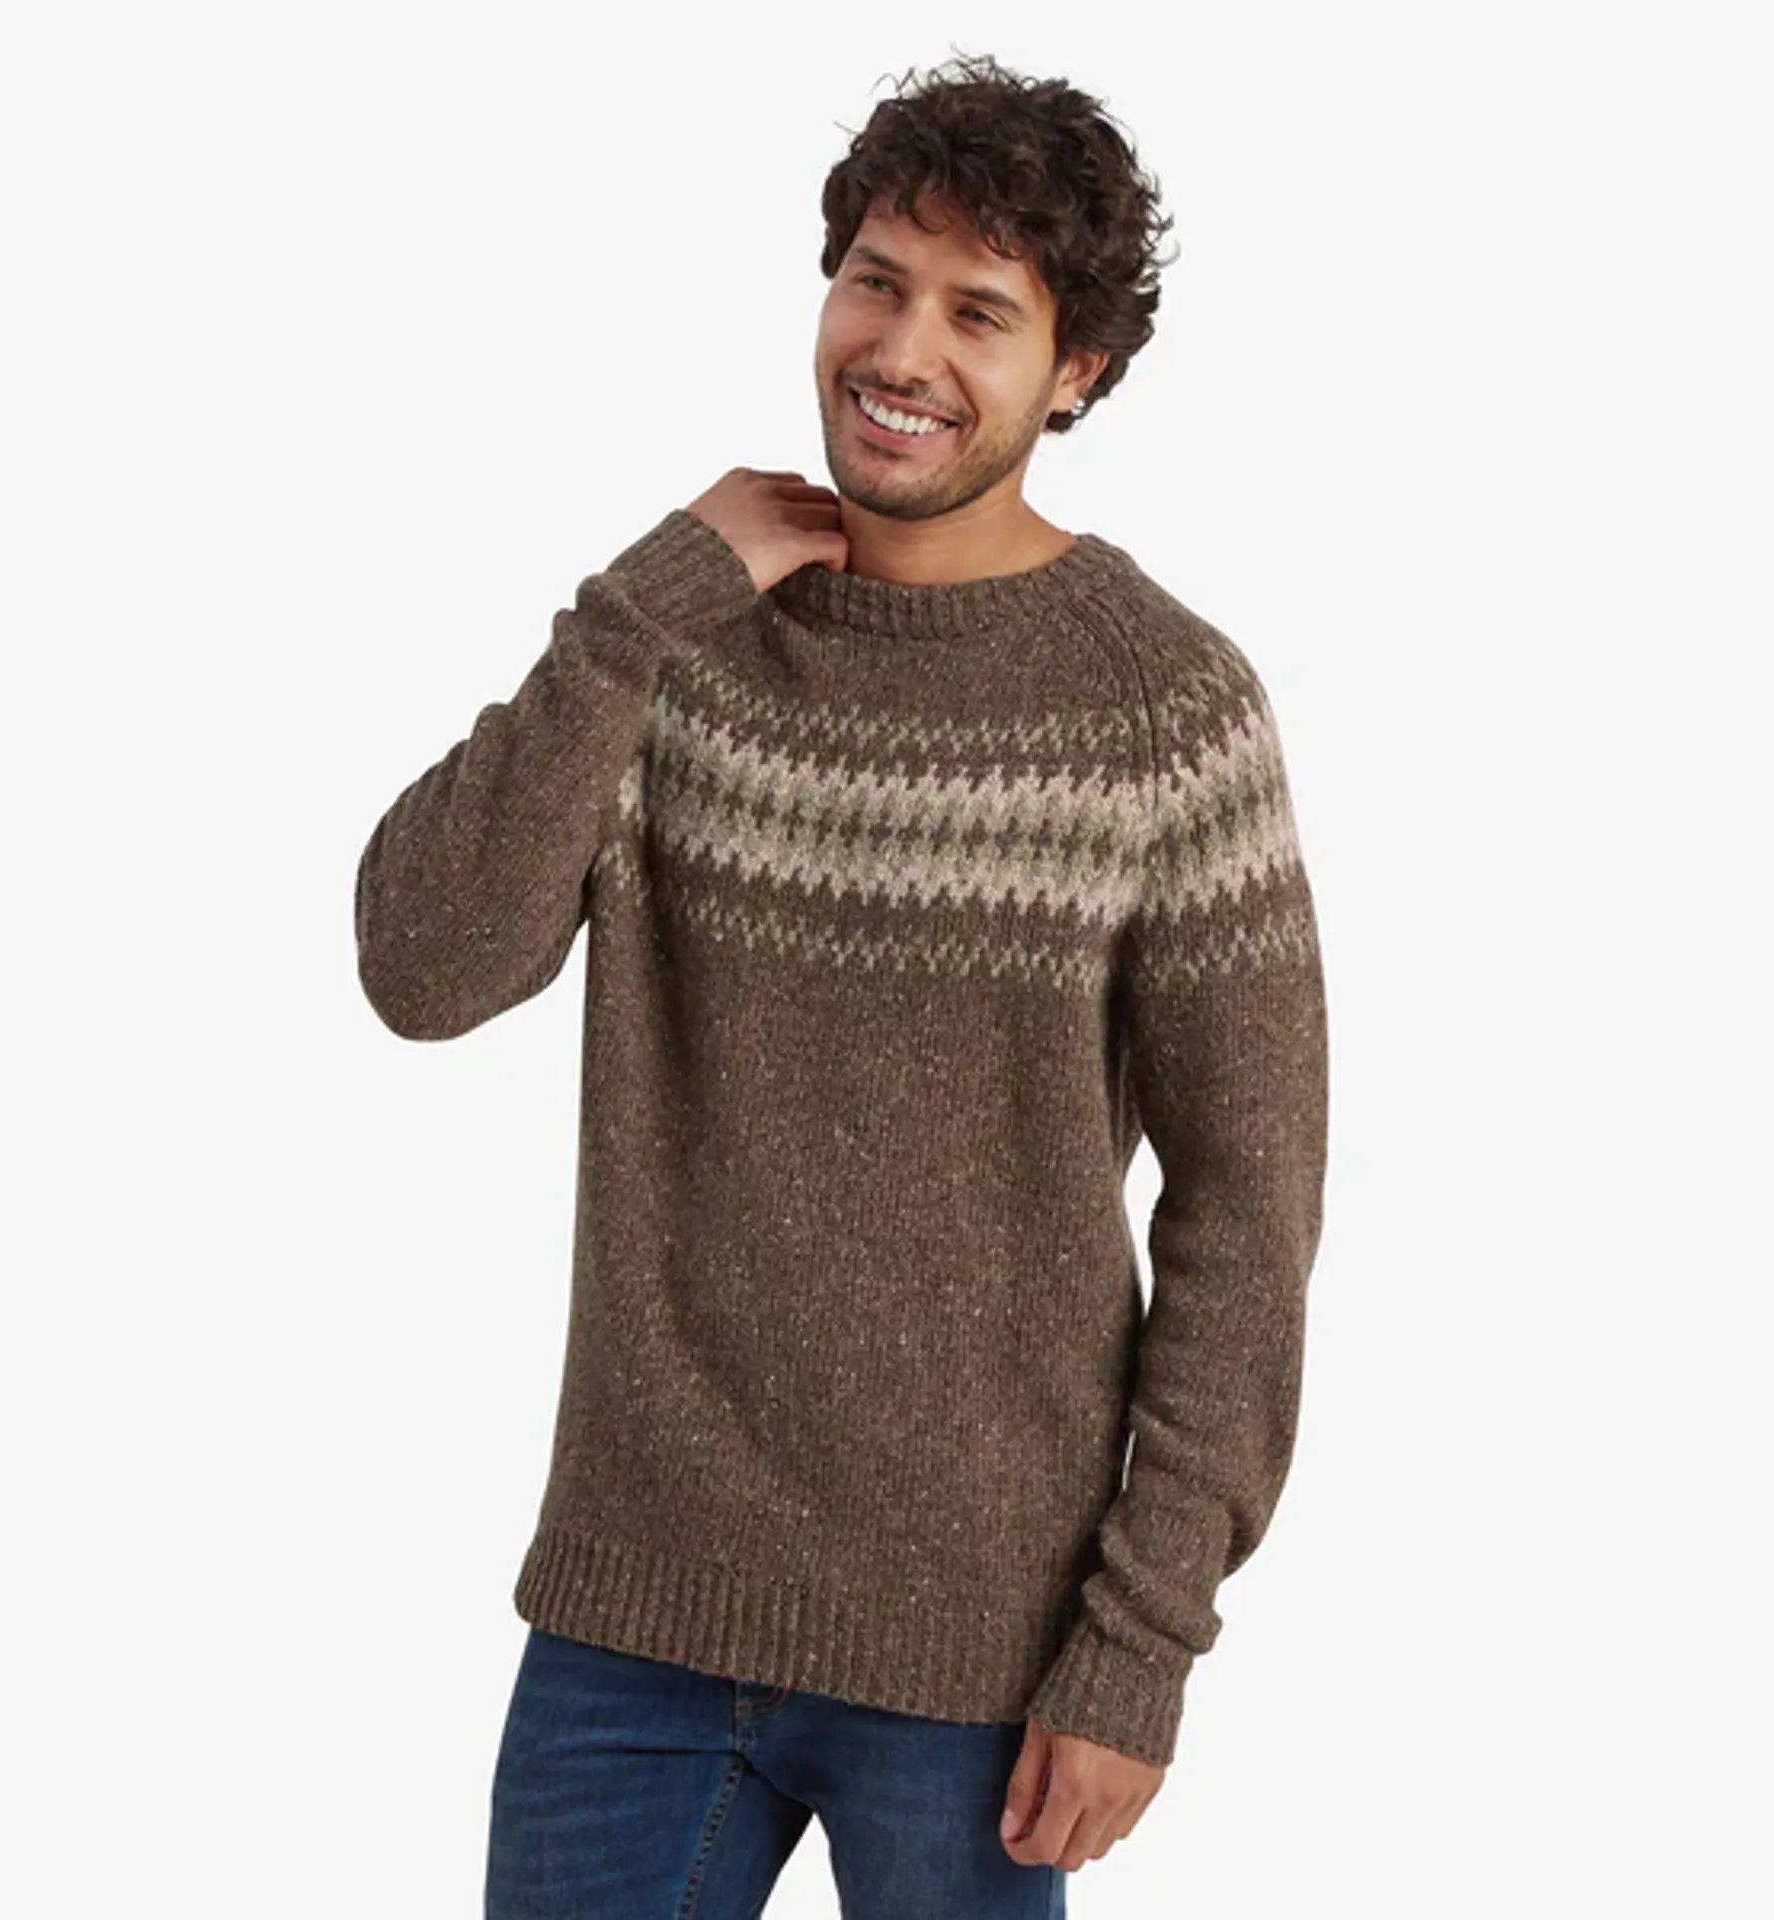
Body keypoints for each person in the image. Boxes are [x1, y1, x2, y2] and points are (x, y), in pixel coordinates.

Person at [354, 50, 1329, 1920]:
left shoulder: (1165, 712)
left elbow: (1247, 1209)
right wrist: (638, 611)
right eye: (878, 281)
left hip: (981, 1662)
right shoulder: (679, 641)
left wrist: (1141, 1648)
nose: (903, 349)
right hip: (629, 1624)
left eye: (979, 312)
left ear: (1075, 372)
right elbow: (423, 965)